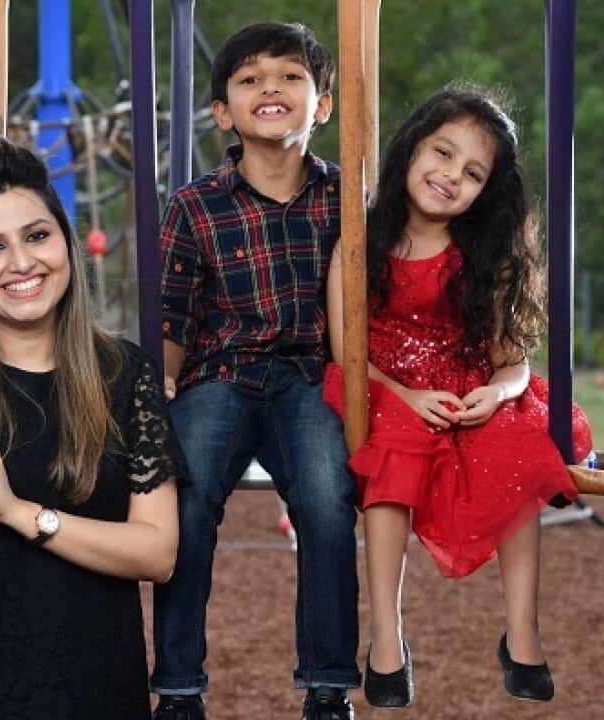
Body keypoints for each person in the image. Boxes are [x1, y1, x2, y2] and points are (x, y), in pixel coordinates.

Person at [321, 84, 594, 708]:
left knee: (519, 445)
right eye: (441, 153)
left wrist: (498, 398)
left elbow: (514, 367)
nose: (450, 176)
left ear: (484, 191)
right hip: (382, 388)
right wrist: (405, 396)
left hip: (466, 391)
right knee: (392, 450)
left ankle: (522, 632)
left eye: (471, 173)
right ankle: (386, 636)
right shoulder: (360, 244)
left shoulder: (483, 256)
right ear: (411, 147)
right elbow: (346, 354)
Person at [0, 135, 185, 720]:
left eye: (37, 236)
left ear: (67, 245)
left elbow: (157, 551)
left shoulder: (123, 374)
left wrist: (17, 511)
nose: (21, 263)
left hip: (100, 679)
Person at [153, 22, 360, 720]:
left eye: (290, 76)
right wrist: (161, 385)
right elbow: (174, 313)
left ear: (323, 104)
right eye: (249, 80)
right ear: (223, 114)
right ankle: (178, 686)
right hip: (221, 373)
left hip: (309, 374)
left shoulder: (347, 201)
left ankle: (327, 684)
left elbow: (369, 298)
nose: (270, 87)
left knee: (329, 500)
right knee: (185, 498)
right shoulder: (195, 205)